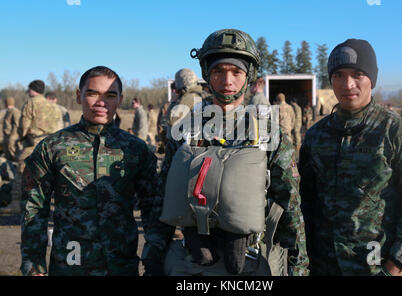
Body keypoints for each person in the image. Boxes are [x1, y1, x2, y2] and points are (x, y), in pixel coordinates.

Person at [150, 29, 309, 276]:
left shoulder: (269, 133)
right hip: (193, 264)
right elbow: (162, 200)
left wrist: (299, 269)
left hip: (251, 263)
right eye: (218, 72)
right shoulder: (184, 132)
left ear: (249, 77)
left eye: (236, 72)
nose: (227, 81)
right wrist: (153, 259)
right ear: (207, 75)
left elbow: (290, 206)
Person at [299, 39, 402, 276]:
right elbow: (306, 199)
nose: (348, 84)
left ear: (371, 78)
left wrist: (395, 265)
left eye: (358, 74)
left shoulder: (399, 134)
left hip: (375, 266)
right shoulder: (316, 136)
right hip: (323, 265)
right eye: (339, 75)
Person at [20, 66, 167, 276]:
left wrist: (155, 257)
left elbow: (152, 205)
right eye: (92, 93)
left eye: (110, 95)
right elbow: (33, 208)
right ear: (79, 96)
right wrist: (33, 265)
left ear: (120, 99)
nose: (101, 102)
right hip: (69, 267)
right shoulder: (52, 147)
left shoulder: (135, 149)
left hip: (121, 266)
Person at [16, 80, 61, 172]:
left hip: (34, 142)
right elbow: (60, 126)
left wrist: (22, 137)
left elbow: (24, 124)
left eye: (29, 89)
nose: (28, 92)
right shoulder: (54, 106)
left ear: (32, 90)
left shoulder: (31, 102)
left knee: (22, 169)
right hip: (52, 143)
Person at [2, 97, 21, 161]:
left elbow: (17, 125)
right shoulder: (8, 111)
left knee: (13, 153)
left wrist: (12, 137)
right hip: (7, 136)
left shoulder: (15, 111)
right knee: (7, 154)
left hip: (12, 136)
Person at [290, 97, 303, 161]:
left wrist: (293, 123)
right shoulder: (298, 107)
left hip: (296, 123)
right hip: (298, 123)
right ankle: (297, 145)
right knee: (296, 134)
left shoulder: (295, 108)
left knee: (297, 134)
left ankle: (298, 146)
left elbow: (295, 116)